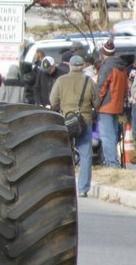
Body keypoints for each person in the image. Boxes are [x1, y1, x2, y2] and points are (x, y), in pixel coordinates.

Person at [51, 55, 97, 197]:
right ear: (83, 66)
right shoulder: (89, 81)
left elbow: (53, 101)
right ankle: (83, 189)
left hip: (66, 121)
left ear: (70, 66)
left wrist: (62, 109)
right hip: (85, 121)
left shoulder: (60, 80)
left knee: (64, 154)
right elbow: (97, 102)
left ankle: (64, 185)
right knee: (85, 154)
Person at [95, 37, 128, 168]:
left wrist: (96, 103)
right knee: (113, 134)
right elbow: (126, 88)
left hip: (106, 106)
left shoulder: (106, 67)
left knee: (107, 135)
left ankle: (112, 164)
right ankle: (113, 161)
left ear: (104, 53)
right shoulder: (122, 67)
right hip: (117, 105)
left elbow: (101, 87)